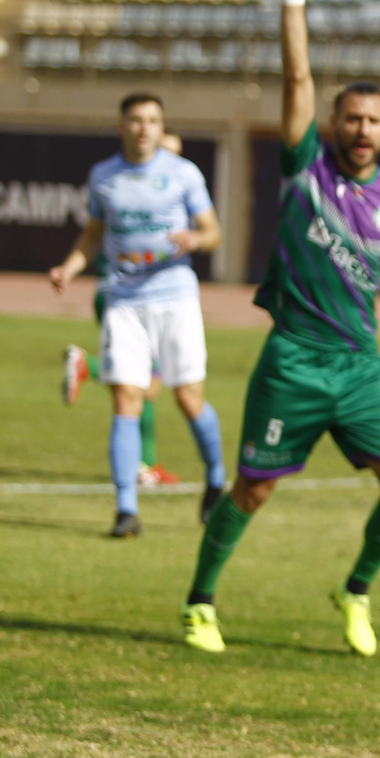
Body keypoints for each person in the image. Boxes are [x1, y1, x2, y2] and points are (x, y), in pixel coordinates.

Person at [180, 0, 380, 657]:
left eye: (373, 120)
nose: (361, 129)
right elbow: (296, 81)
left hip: (359, 364)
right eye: (350, 118)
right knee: (254, 490)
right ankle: (199, 601)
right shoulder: (305, 170)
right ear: (333, 125)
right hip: (294, 359)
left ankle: (356, 587)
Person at [50, 95, 225, 538]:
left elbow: (214, 232)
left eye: (152, 120)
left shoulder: (183, 174)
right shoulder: (104, 177)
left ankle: (217, 479)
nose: (144, 128)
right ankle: (126, 509)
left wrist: (195, 239)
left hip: (175, 299)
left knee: (189, 400)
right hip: (123, 300)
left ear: (160, 126)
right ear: (121, 126)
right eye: (136, 120)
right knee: (126, 399)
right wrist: (69, 268)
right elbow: (93, 236)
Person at [62, 131, 192, 489]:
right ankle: (86, 364)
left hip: (129, 295)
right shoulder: (137, 190)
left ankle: (144, 464)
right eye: (170, 155)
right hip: (128, 297)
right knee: (142, 383)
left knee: (140, 383)